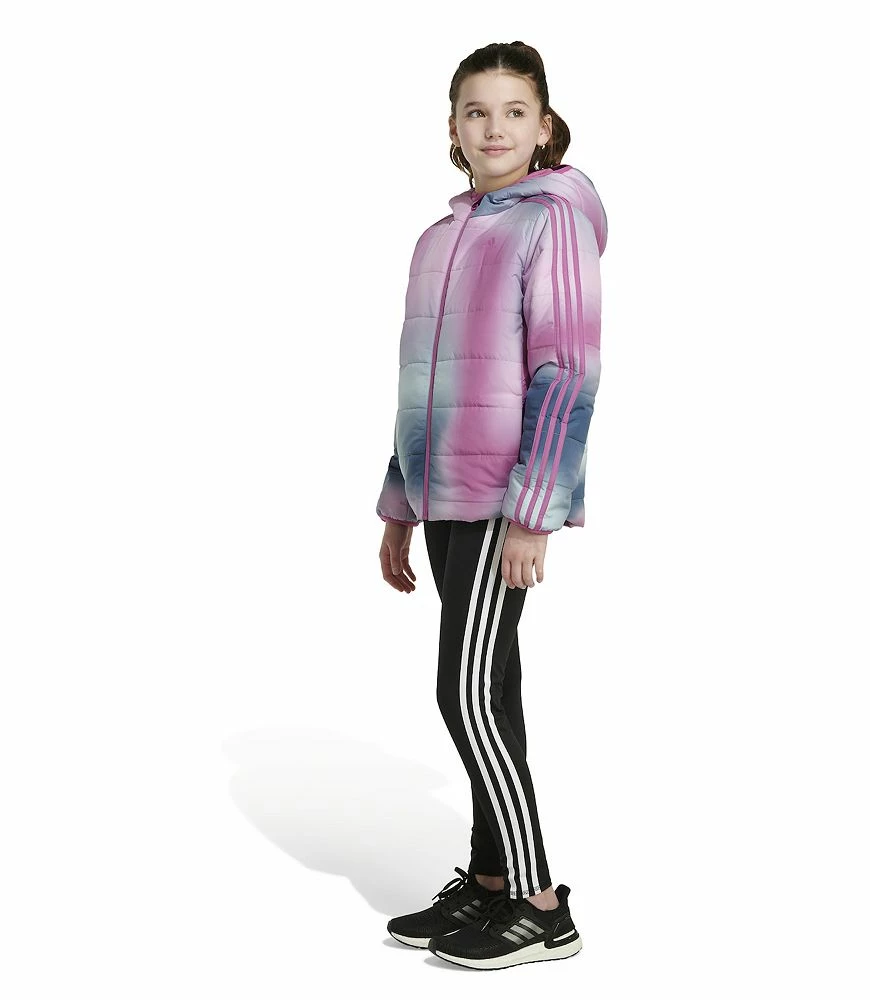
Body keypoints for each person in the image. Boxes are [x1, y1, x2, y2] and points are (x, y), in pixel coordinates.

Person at [376, 40, 606, 971]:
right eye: (477, 111)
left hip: (499, 500)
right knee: (492, 685)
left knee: (466, 691)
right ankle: (489, 878)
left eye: (515, 111)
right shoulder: (440, 237)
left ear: (544, 127)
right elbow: (422, 382)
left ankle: (540, 903)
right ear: (454, 129)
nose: (495, 127)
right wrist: (400, 501)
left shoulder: (553, 224)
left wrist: (533, 512)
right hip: (442, 496)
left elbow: (568, 371)